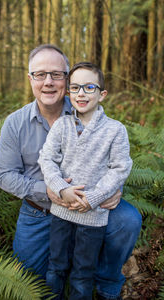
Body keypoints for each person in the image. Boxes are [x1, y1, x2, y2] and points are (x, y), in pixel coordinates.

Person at [0, 44, 142, 300]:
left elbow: (113, 161)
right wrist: (50, 191)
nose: (48, 82)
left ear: (68, 78)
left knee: (127, 220)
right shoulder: (15, 123)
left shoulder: (85, 106)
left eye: (57, 74)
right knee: (27, 285)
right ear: (30, 79)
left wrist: (115, 191)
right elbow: (5, 175)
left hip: (89, 203)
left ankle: (106, 285)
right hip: (38, 210)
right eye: (40, 74)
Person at [37, 61, 133, 300]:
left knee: (83, 272)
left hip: (93, 216)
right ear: (68, 93)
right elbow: (46, 159)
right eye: (75, 87)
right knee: (56, 266)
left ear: (102, 94)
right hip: (62, 211)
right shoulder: (62, 125)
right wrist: (61, 188)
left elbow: (120, 168)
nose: (81, 93)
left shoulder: (115, 130)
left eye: (89, 87)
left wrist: (93, 197)